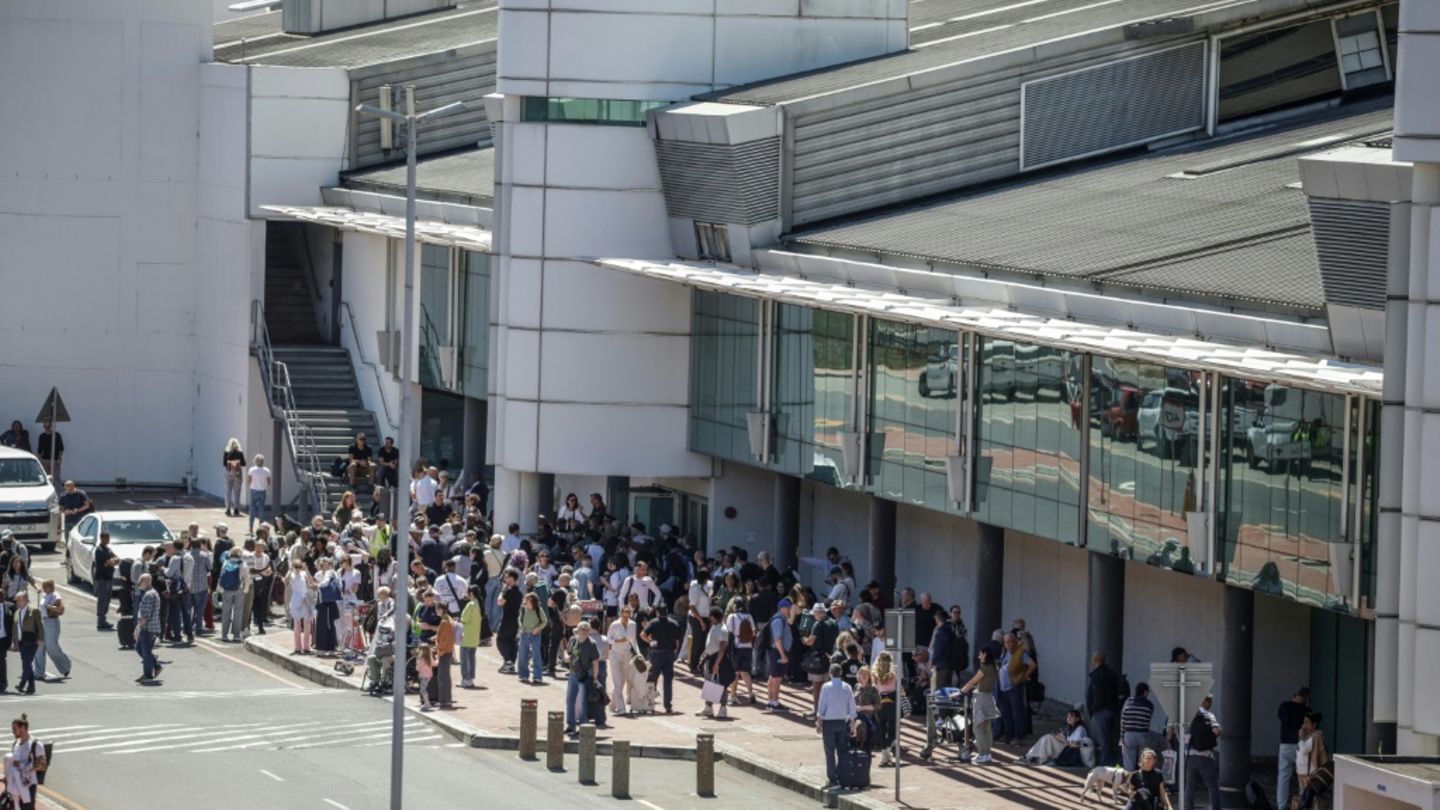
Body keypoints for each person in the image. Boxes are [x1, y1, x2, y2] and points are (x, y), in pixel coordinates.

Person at [816, 662, 858, 789]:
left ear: (830, 673)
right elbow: (852, 707)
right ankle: (843, 778)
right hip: (842, 722)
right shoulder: (847, 687)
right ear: (841, 673)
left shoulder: (826, 687)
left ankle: (832, 778)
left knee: (829, 752)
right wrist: (853, 724)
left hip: (829, 722)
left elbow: (821, 706)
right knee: (843, 751)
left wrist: (818, 721)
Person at [959, 646, 1001, 764]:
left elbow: (973, 681)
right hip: (989, 697)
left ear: (985, 655)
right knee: (987, 728)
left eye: (980, 654)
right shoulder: (994, 667)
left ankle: (982, 753)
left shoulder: (984, 668)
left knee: (978, 727)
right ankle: (987, 753)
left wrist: (961, 692)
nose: (978, 656)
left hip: (981, 698)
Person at [641, 603, 683, 714]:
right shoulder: (674, 623)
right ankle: (668, 706)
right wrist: (674, 651)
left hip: (657, 653)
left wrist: (650, 641)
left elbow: (642, 634)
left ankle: (649, 704)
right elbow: (677, 643)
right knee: (668, 681)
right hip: (669, 654)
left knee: (651, 679)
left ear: (657, 612)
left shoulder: (653, 622)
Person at [1184, 694, 1222, 810]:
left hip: (1190, 756)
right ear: (1206, 702)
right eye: (1210, 702)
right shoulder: (1209, 715)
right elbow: (1216, 731)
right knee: (1213, 787)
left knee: (1190, 787)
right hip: (1206, 756)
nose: (1210, 705)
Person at [997, 631, 1035, 744]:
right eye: (1005, 642)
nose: (1008, 644)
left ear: (1014, 642)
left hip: (1014, 686)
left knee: (1016, 711)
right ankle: (1008, 734)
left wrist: (1024, 677)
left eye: (1010, 642)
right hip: (1004, 687)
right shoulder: (1006, 652)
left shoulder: (1021, 652)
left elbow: (1032, 665)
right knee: (1006, 712)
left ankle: (1018, 736)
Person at [565, 621, 601, 736]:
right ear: (578, 630)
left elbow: (595, 662)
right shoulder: (573, 640)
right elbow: (567, 651)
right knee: (570, 701)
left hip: (584, 676)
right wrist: (566, 657)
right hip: (572, 674)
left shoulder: (592, 644)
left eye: (587, 629)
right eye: (582, 629)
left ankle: (583, 727)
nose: (585, 631)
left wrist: (595, 678)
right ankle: (571, 726)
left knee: (582, 703)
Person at [1278, 687, 1311, 810]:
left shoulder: (1284, 707)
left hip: (1285, 745)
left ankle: (1281, 806)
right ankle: (1302, 804)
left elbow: (1283, 720)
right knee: (1302, 777)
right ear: (1306, 697)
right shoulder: (1306, 711)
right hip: (1301, 745)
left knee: (1283, 776)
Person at [698, 606, 734, 719]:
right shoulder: (714, 626)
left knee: (721, 684)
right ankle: (708, 708)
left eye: (710, 616)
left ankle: (723, 708)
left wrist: (717, 663)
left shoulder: (723, 630)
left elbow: (722, 648)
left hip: (719, 659)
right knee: (709, 683)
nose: (709, 618)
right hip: (709, 658)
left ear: (714, 617)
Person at [5, 714, 46, 810]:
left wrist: (24, 767)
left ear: (22, 728)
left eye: (15, 729)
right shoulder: (16, 744)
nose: (12, 732)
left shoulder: (36, 745)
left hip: (29, 785)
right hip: (15, 785)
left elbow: (42, 765)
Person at [1087, 651, 1121, 767]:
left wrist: (1093, 708)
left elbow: (1097, 694)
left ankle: (1106, 763)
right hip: (1112, 709)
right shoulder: (1111, 673)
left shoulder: (1097, 675)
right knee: (1110, 737)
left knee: (1103, 738)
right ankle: (1112, 760)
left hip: (1101, 710)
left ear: (1095, 660)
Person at [33, 580, 70, 681]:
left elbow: (60, 609)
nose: (44, 588)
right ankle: (38, 672)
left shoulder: (56, 595)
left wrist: (49, 606)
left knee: (51, 647)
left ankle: (65, 666)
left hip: (51, 623)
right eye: (43, 586)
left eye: (46, 586)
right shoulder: (44, 595)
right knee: (39, 646)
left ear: (51, 587)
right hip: (42, 621)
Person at [1025, 708, 1089, 765]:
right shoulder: (1068, 728)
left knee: (1049, 738)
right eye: (1068, 716)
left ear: (1077, 719)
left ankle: (1038, 758)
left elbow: (1075, 745)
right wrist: (1057, 736)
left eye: (1071, 717)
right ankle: (1031, 755)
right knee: (1047, 737)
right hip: (1065, 750)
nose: (1069, 718)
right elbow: (1061, 736)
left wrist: (1062, 739)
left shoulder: (1080, 729)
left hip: (1071, 753)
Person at [764, 598, 796, 712]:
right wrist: (783, 655)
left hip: (776, 651)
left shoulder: (781, 619)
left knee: (773, 677)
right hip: (777, 652)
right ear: (782, 608)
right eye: (788, 608)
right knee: (777, 678)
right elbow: (777, 639)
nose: (789, 610)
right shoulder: (779, 621)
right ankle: (775, 702)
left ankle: (771, 701)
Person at [607, 606, 639, 714]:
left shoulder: (633, 624)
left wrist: (638, 653)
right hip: (615, 655)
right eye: (625, 612)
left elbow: (634, 641)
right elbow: (608, 639)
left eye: (629, 613)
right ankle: (621, 708)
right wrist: (617, 641)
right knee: (617, 681)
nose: (627, 615)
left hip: (627, 655)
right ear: (621, 613)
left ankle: (612, 705)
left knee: (622, 682)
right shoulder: (614, 624)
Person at [724, 597, 757, 704]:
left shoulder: (732, 617)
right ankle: (751, 694)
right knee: (745, 672)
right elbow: (754, 632)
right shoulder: (749, 616)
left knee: (735, 673)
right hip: (747, 646)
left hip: (736, 647)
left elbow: (729, 633)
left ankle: (733, 696)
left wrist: (727, 649)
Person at [217, 544, 251, 643]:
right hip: (238, 589)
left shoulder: (226, 562)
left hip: (226, 590)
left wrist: (220, 588)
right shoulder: (242, 564)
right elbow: (246, 578)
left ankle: (224, 635)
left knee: (226, 611)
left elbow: (221, 575)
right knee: (238, 612)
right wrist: (246, 589)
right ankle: (236, 635)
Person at [10, 593, 41, 695]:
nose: (17, 602)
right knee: (26, 665)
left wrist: (40, 639)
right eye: (17, 600)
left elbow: (40, 626)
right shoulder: (17, 612)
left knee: (27, 664)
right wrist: (14, 642)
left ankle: (22, 684)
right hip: (21, 642)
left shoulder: (34, 611)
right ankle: (31, 687)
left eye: (19, 600)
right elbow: (15, 629)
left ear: (25, 600)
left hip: (32, 642)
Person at [1296, 712, 1328, 810]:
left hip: (1309, 773)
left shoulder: (1315, 736)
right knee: (1304, 797)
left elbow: (1304, 749)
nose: (1304, 725)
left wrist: (1301, 738)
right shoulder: (1307, 736)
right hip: (1302, 771)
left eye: (1307, 722)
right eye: (1304, 722)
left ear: (1314, 724)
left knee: (1310, 798)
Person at [1121, 682, 1156, 771]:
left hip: (1129, 734)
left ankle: (1129, 781)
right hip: (1143, 734)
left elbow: (1123, 720)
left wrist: (1122, 736)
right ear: (1145, 692)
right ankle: (1143, 779)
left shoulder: (1128, 702)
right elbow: (1148, 720)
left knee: (1129, 762)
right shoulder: (1149, 705)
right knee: (1144, 760)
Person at [134, 574, 163, 683]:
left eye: (140, 581)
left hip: (147, 628)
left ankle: (147, 675)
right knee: (139, 648)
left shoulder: (148, 595)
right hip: (151, 627)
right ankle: (156, 665)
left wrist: (138, 628)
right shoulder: (152, 593)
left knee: (145, 651)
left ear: (147, 582)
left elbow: (145, 615)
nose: (139, 584)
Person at [873, 652, 900, 766]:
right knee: (893, 728)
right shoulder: (894, 673)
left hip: (880, 701)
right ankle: (888, 750)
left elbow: (875, 688)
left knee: (882, 728)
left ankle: (884, 752)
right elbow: (899, 688)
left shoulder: (875, 674)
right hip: (892, 701)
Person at [517, 591, 548, 684]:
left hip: (535, 635)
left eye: (529, 601)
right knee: (523, 655)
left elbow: (544, 621)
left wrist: (538, 629)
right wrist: (521, 627)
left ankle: (537, 676)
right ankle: (523, 675)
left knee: (536, 655)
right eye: (526, 600)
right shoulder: (523, 609)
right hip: (524, 634)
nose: (527, 602)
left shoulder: (539, 610)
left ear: (534, 602)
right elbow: (519, 618)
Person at [92, 529, 118, 630]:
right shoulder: (99, 550)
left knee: (107, 599)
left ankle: (104, 620)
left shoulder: (108, 549)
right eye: (106, 538)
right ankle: (100, 621)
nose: (107, 540)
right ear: (101, 538)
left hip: (109, 578)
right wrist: (111, 561)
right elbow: (109, 562)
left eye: (108, 538)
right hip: (102, 579)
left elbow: (116, 559)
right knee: (102, 600)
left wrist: (112, 561)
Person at [288, 559, 315, 655]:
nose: (298, 568)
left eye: (300, 566)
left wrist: (306, 570)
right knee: (297, 624)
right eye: (296, 566)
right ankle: (297, 647)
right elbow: (285, 581)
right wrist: (290, 570)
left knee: (308, 623)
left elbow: (311, 582)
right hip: (296, 598)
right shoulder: (291, 574)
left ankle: (306, 647)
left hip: (305, 598)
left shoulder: (304, 573)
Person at [433, 602, 456, 709]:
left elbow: (443, 640)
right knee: (445, 677)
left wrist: (439, 650)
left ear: (441, 609)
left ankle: (444, 701)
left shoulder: (444, 622)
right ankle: (447, 699)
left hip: (445, 651)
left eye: (437, 609)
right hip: (448, 650)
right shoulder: (448, 619)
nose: (436, 611)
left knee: (442, 677)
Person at [246, 454, 272, 534]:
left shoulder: (252, 470)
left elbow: (248, 481)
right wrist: (263, 485)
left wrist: (251, 484)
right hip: (262, 491)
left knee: (252, 510)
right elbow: (269, 482)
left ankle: (251, 529)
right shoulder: (267, 470)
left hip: (254, 490)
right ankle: (261, 528)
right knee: (261, 510)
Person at [222, 438, 246, 517]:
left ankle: (228, 509)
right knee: (237, 492)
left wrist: (231, 463)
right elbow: (243, 463)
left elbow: (224, 463)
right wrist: (236, 463)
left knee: (228, 491)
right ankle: (236, 509)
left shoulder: (226, 452)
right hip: (238, 473)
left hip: (228, 472)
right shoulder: (240, 452)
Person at [416, 643, 437, 712]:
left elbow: (417, 668)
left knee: (423, 690)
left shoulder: (421, 659)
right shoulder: (429, 657)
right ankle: (426, 703)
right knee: (423, 689)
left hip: (423, 676)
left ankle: (427, 703)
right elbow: (435, 664)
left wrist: (417, 661)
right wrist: (437, 659)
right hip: (428, 675)